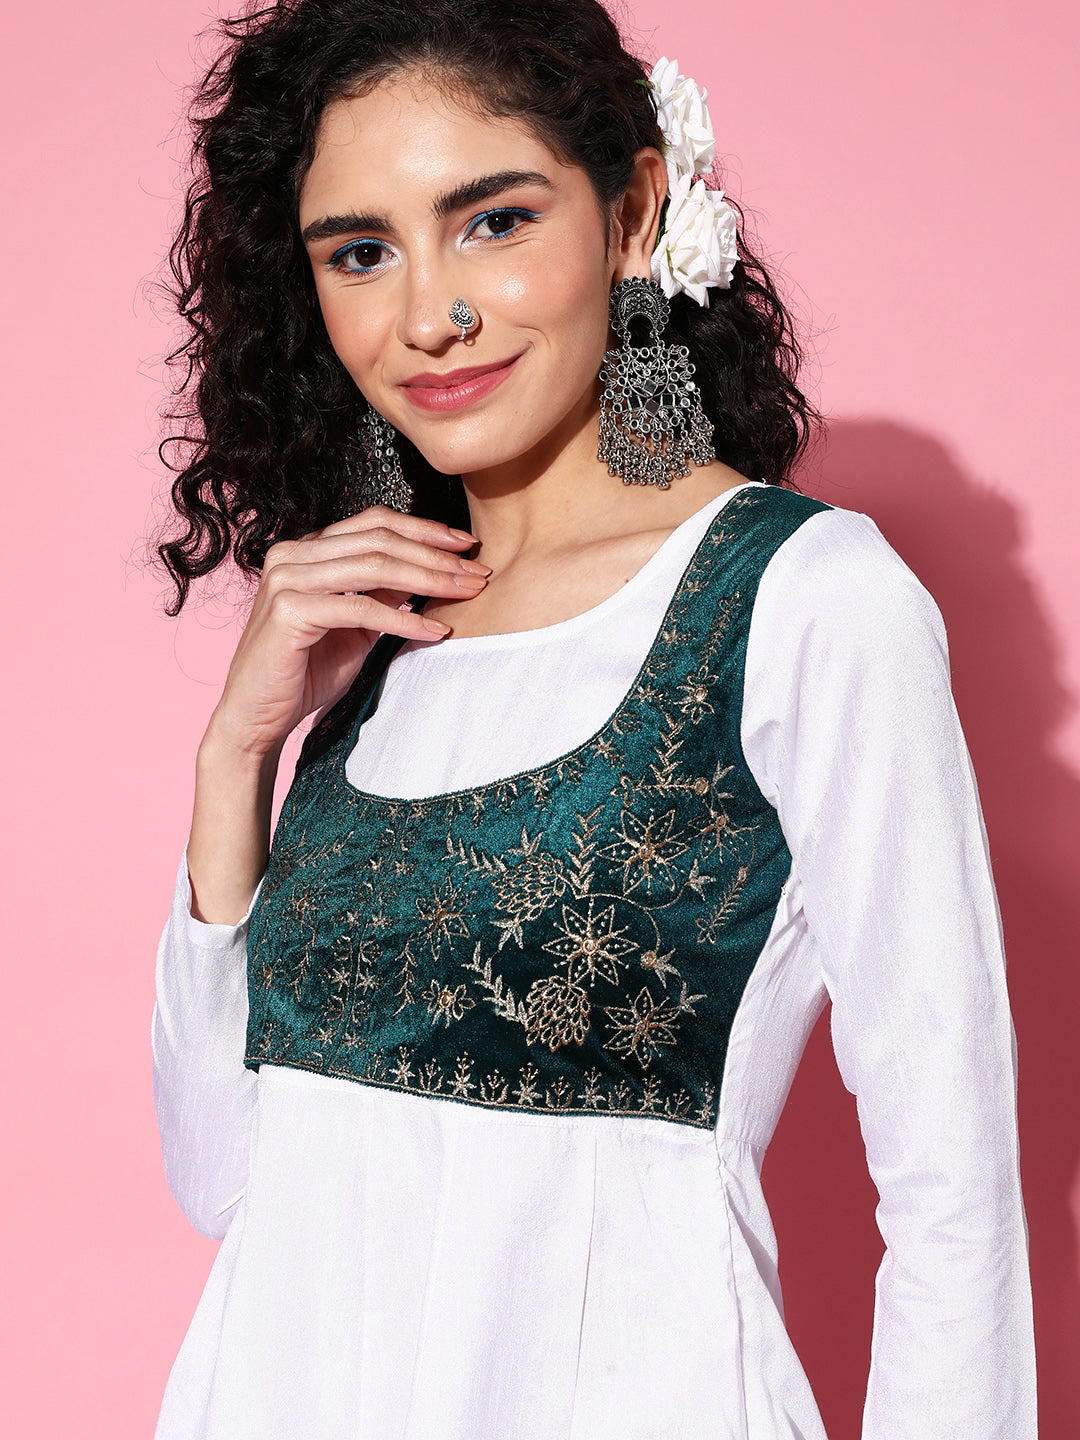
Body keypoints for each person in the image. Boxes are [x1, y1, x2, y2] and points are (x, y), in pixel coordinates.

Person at [149, 1, 1037, 1436]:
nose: (426, 314)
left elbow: (956, 1201)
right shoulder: (375, 639)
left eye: (492, 222)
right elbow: (229, 1181)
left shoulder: (802, 602)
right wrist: (234, 755)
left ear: (632, 214)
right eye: (361, 252)